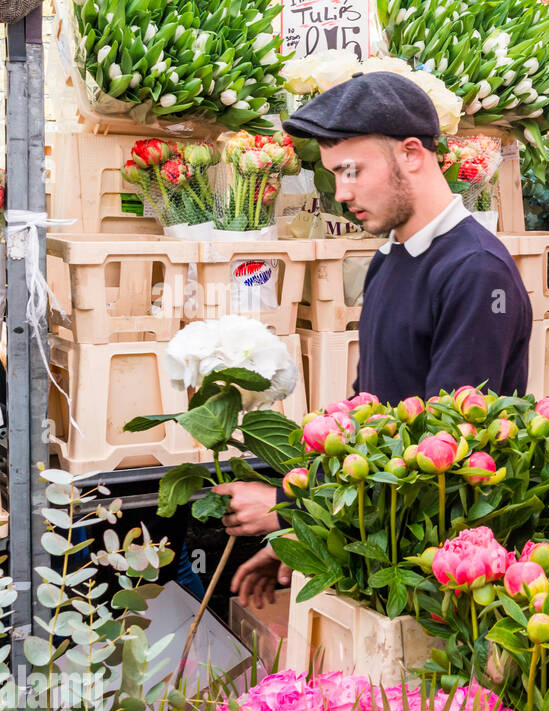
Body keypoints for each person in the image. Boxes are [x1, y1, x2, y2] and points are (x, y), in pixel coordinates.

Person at [225, 72, 532, 607]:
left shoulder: (476, 272)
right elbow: (369, 417)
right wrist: (305, 532)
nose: (341, 194)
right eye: (334, 175)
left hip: (434, 571)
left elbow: (443, 452)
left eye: (351, 171)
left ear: (411, 153)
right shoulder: (390, 258)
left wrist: (289, 505)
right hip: (382, 543)